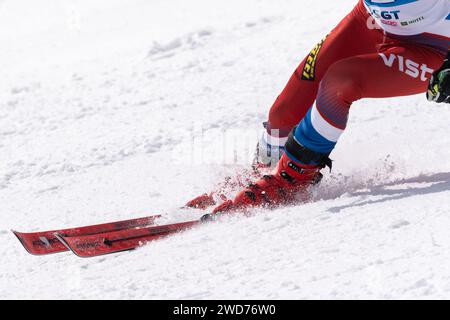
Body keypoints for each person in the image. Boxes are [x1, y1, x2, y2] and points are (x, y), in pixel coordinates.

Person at [190, 0, 450, 217]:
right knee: (283, 114)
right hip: (372, 20)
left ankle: (291, 179)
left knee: (340, 81)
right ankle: (264, 172)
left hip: (432, 46)